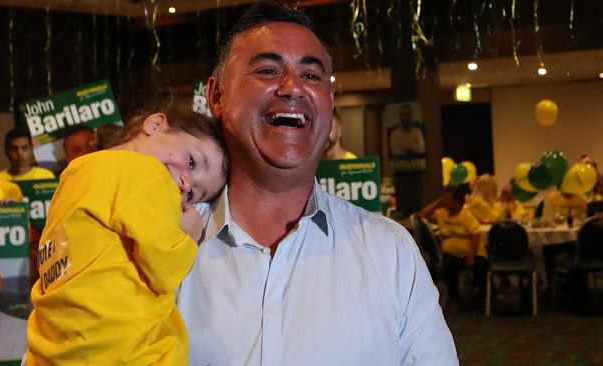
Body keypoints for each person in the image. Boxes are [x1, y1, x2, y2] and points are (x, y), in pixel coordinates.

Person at [176, 3, 457, 365]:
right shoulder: (157, 241)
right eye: (267, 70)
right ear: (217, 96)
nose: (293, 87)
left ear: (330, 102)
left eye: (311, 76)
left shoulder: (391, 252)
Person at [26, 102, 228, 365]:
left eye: (192, 194)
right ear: (155, 125)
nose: (185, 183)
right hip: (125, 352)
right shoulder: (149, 173)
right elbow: (165, 268)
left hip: (54, 350)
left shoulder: (75, 175)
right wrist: (189, 234)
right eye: (191, 161)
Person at [421, 185, 488, 312]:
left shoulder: (466, 215)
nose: (444, 201)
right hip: (452, 256)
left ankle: (482, 298)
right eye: (444, 198)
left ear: (457, 202)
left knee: (481, 267)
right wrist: (436, 204)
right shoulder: (442, 213)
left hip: (471, 254)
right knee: (448, 266)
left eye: (448, 199)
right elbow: (422, 215)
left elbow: (475, 235)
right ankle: (453, 299)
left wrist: (470, 255)